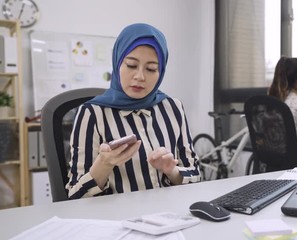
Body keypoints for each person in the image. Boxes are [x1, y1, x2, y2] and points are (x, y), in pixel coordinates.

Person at [66, 23, 201, 199]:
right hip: (117, 220)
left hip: (170, 216)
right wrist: (104, 164)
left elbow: (196, 175)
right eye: (131, 65)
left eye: (151, 69)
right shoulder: (92, 113)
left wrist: (172, 170)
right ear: (117, 63)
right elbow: (75, 195)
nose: (140, 77)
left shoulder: (173, 107)